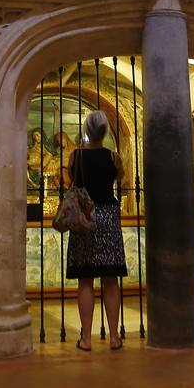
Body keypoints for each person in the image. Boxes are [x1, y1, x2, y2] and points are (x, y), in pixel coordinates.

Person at [64, 110, 127, 351]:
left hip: (84, 216)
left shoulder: (75, 156)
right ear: (105, 131)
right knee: (111, 280)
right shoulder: (113, 157)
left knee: (85, 279)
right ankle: (113, 337)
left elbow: (72, 180)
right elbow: (120, 179)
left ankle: (87, 339)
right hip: (108, 216)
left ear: (86, 130)